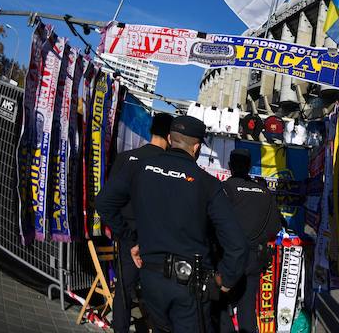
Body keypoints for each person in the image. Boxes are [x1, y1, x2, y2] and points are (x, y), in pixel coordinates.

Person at [97, 115, 249, 333]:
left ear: (170, 138)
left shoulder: (140, 167)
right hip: (189, 287)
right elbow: (237, 244)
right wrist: (225, 279)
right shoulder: (207, 183)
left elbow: (104, 202)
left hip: (151, 280)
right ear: (196, 147)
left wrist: (131, 238)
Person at [106, 112, 173, 333]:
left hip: (128, 237)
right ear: (170, 136)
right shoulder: (168, 165)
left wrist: (124, 235)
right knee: (157, 293)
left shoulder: (127, 157)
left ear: (152, 130)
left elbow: (107, 200)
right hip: (155, 240)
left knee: (124, 291)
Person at [218, 149, 282, 333]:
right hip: (254, 258)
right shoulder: (264, 192)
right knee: (247, 308)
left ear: (230, 166)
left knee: (220, 305)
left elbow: (214, 223)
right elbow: (274, 228)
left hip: (228, 257)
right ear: (249, 167)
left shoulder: (224, 188)